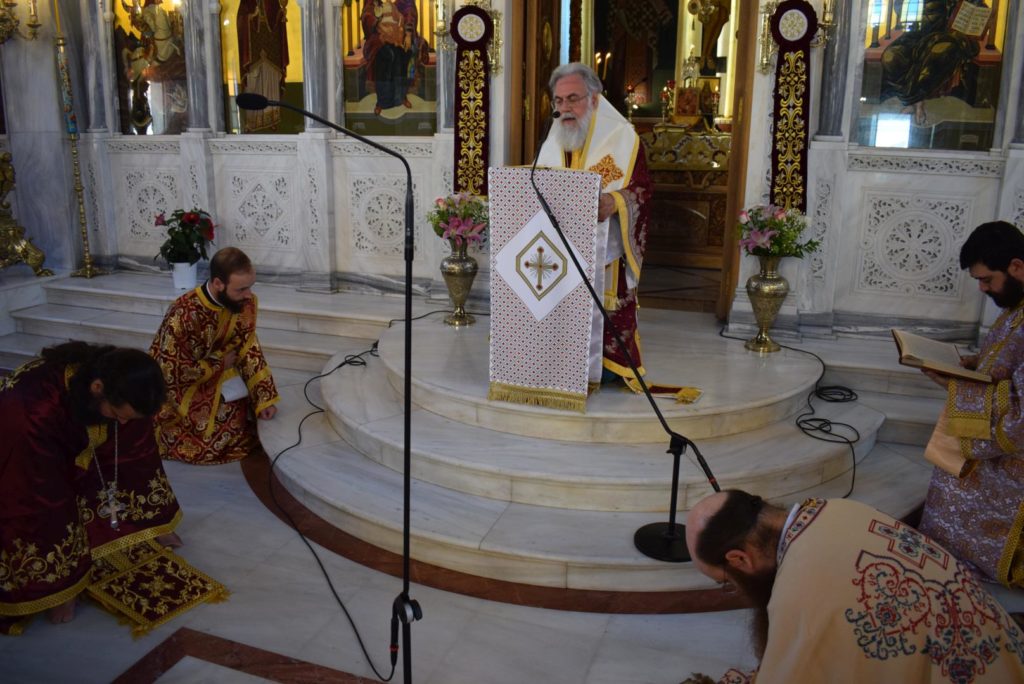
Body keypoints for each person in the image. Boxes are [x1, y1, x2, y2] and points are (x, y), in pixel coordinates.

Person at [685, 489, 1024, 683]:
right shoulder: (836, 509)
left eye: (726, 581)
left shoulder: (801, 594)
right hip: (1004, 652)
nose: (736, 589)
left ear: (739, 560)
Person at [0, 342, 182, 634]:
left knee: (132, 429)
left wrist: (154, 520)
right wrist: (63, 588)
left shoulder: (115, 381)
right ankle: (57, 582)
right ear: (97, 388)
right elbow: (44, 500)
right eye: (118, 413)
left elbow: (136, 448)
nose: (122, 421)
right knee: (48, 504)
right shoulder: (34, 412)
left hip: (58, 433)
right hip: (21, 457)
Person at [918, 220, 1024, 588]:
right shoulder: (1017, 304)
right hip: (996, 434)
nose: (982, 288)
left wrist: (958, 388)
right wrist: (976, 365)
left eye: (987, 280)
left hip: (1014, 458)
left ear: (1016, 266)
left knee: (958, 482)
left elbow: (1020, 418)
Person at [536, 62, 652, 388]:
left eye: (573, 99)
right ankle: (557, 360)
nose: (564, 108)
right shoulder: (553, 139)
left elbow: (643, 190)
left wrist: (615, 202)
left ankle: (607, 364)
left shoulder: (623, 139)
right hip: (559, 249)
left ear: (595, 99)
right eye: (558, 100)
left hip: (605, 254)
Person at [150, 247, 280, 465]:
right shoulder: (184, 313)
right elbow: (171, 369)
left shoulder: (244, 304)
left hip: (219, 380)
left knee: (237, 419)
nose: (249, 295)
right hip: (181, 388)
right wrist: (218, 364)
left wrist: (264, 398)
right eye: (241, 289)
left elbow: (248, 348)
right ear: (218, 284)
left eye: (250, 287)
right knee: (205, 443)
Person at [361, 0, 420, 116]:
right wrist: (378, 24)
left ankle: (401, 96)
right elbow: (366, 15)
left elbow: (410, 13)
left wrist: (408, 34)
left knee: (404, 56)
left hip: (401, 35)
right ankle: (382, 101)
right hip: (379, 37)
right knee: (386, 57)